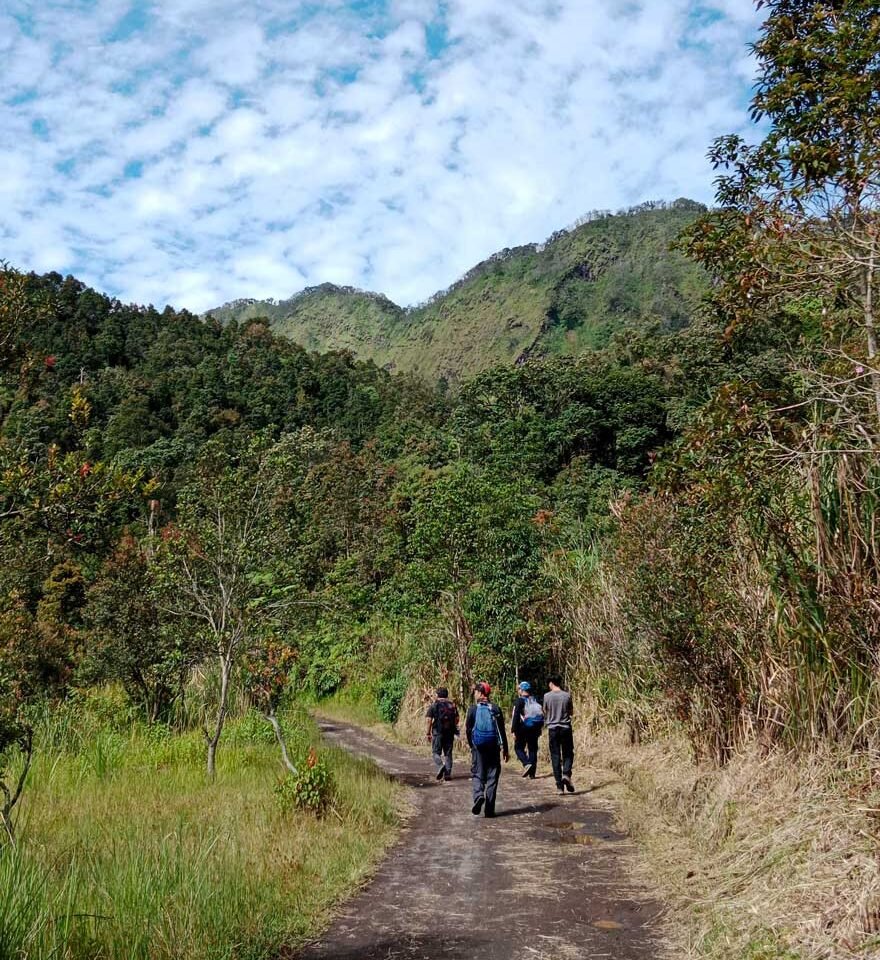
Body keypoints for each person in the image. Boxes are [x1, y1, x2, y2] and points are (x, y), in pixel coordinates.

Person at [465, 681, 509, 817]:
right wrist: (505, 750)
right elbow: (501, 731)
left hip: (478, 746)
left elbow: (468, 729)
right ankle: (489, 810)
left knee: (478, 774)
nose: (474, 694)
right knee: (492, 776)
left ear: (480, 693)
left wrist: (472, 745)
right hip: (493, 747)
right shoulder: (495, 709)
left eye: (476, 692)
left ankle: (478, 796)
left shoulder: (473, 709)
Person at [544, 674, 575, 795]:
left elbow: (545, 711)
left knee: (555, 756)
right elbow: (571, 712)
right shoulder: (567, 695)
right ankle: (566, 774)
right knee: (568, 753)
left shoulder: (547, 696)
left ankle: (559, 787)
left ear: (551, 683)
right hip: (565, 728)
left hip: (553, 729)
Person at [425, 687, 459, 781]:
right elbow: (457, 719)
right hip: (449, 732)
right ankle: (447, 774)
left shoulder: (434, 705)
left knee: (436, 752)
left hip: (437, 732)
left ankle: (440, 766)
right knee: (448, 754)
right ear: (447, 695)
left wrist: (428, 733)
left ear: (437, 695)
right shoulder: (452, 705)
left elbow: (428, 720)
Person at [511, 680, 543, 778]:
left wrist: (513, 730)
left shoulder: (519, 701)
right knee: (533, 749)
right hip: (535, 728)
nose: (518, 691)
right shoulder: (536, 699)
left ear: (522, 690)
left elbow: (516, 716)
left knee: (518, 748)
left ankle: (526, 763)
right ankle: (532, 774)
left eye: (519, 689)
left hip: (524, 728)